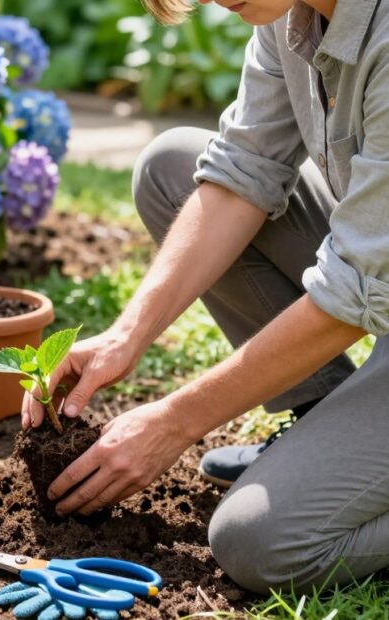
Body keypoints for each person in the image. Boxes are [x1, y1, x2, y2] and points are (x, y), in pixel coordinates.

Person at [25, 0, 389, 595]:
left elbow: (353, 290)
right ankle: (319, 423)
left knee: (260, 542)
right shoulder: (289, 12)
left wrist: (175, 421)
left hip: (376, 279)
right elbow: (244, 169)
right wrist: (127, 335)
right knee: (172, 167)